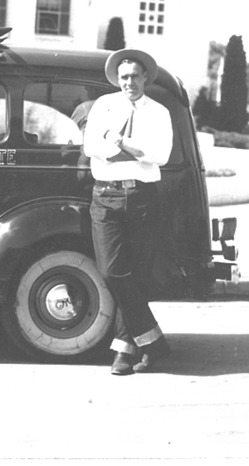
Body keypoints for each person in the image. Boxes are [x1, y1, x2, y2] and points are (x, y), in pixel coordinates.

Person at [83, 49, 173, 375]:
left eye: (135, 76)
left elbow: (160, 154)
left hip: (142, 197)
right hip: (106, 196)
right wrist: (133, 149)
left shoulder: (160, 112)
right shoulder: (103, 106)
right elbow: (93, 148)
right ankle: (153, 341)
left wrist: (117, 140)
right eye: (123, 77)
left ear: (145, 77)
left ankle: (124, 350)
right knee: (112, 271)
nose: (129, 82)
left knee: (136, 273)